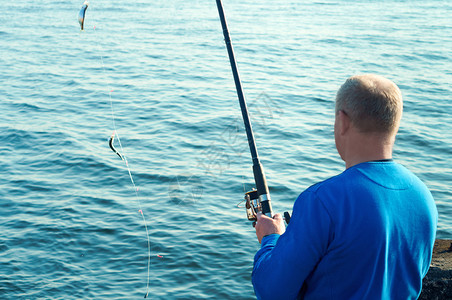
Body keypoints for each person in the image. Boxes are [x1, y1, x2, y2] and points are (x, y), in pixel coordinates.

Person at [252, 74, 438, 299]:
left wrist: (271, 239)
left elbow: (272, 291)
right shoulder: (424, 199)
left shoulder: (321, 200)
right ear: (394, 125)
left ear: (342, 121)